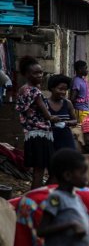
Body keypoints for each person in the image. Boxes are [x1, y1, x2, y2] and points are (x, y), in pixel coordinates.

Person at [17, 57, 58, 189]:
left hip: (31, 134)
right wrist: (57, 119)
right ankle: (37, 198)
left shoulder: (23, 89)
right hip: (41, 134)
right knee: (46, 170)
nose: (40, 75)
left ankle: (35, 197)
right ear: (27, 75)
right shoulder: (35, 92)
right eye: (36, 73)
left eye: (41, 72)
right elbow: (47, 115)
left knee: (38, 170)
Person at [47, 75, 77, 153]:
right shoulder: (44, 103)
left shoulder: (67, 103)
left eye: (65, 90)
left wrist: (65, 123)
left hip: (66, 139)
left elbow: (75, 121)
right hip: (49, 139)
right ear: (52, 88)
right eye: (60, 89)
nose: (63, 92)